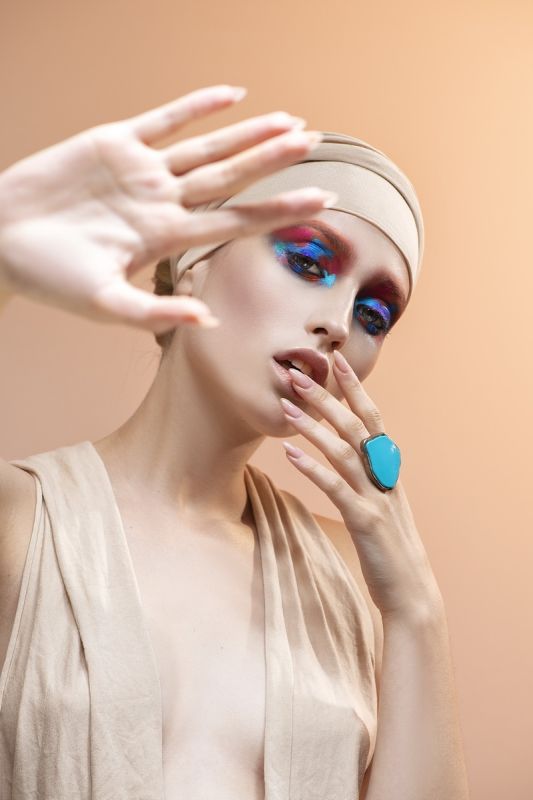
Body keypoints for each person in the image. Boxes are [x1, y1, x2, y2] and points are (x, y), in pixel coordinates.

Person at [0, 84, 470, 800]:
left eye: (374, 313)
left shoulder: (351, 574)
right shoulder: (20, 521)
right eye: (308, 261)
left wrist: (415, 611)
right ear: (195, 263)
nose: (339, 323)